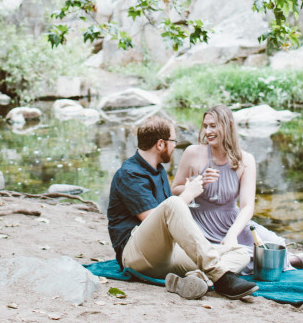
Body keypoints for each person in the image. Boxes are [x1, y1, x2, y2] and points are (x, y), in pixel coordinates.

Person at [107, 113, 257, 300]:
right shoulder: (129, 174)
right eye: (173, 140)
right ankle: (220, 277)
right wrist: (188, 194)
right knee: (173, 203)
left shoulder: (158, 170)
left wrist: (192, 188)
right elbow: (155, 218)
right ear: (161, 144)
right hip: (135, 254)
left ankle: (196, 280)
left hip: (166, 253)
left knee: (240, 252)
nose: (175, 145)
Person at [172, 104, 303, 272]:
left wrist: (232, 234)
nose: (207, 131)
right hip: (199, 221)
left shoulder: (246, 160)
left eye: (213, 126)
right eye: (206, 126)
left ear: (229, 126)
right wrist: (197, 185)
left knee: (275, 245)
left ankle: (285, 258)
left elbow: (247, 206)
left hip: (231, 221)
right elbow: (175, 190)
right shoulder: (192, 152)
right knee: (213, 253)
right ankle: (274, 262)